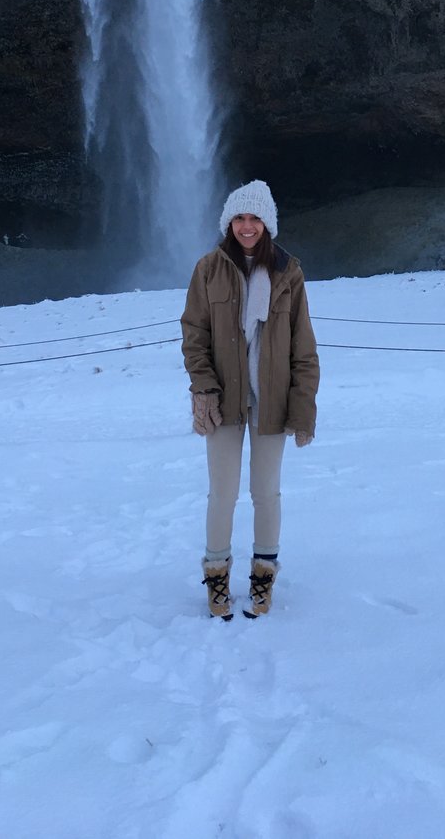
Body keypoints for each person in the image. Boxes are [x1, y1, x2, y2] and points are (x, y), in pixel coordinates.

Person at [181, 180, 319, 620]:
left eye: (254, 218)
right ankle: (216, 578)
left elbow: (304, 348)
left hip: (271, 403)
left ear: (267, 223)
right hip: (223, 400)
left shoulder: (287, 273)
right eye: (239, 218)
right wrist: (203, 387)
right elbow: (194, 335)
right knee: (221, 493)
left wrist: (303, 407)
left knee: (266, 493)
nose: (246, 226)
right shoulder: (208, 269)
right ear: (228, 222)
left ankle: (263, 579)